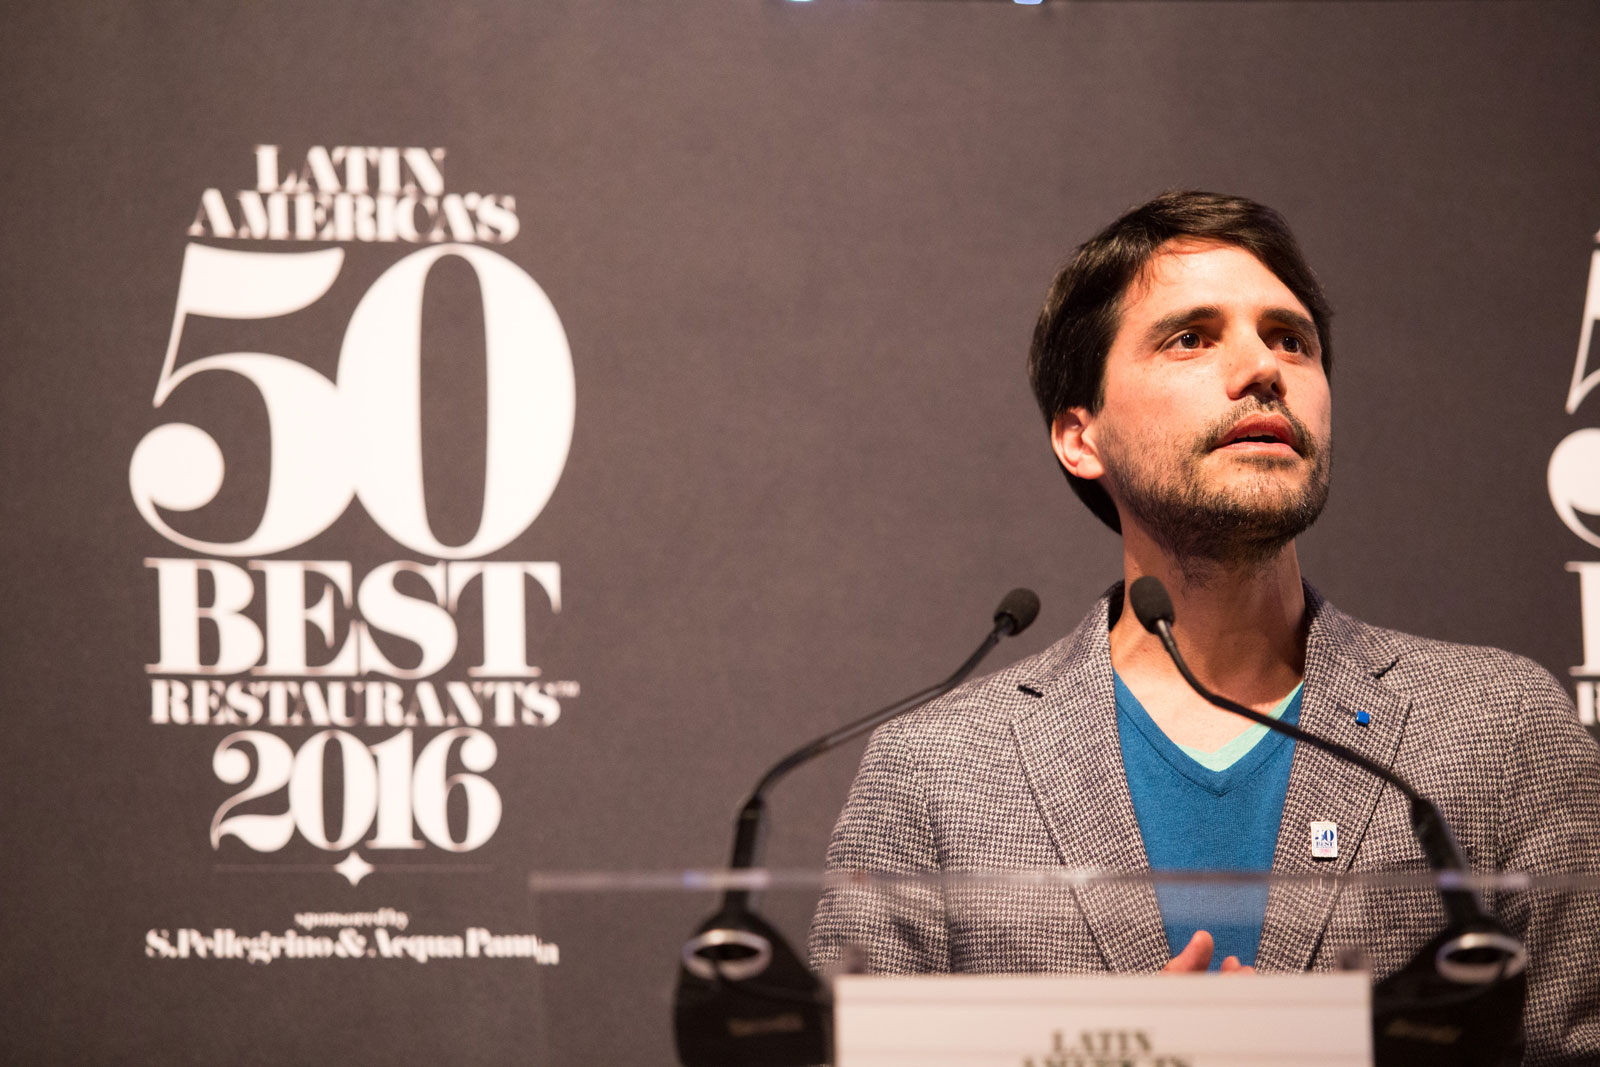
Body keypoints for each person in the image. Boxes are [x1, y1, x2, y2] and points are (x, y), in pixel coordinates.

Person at [808, 191, 1600, 1062]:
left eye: (1290, 339)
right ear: (1081, 435)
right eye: (1192, 337)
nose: (1263, 368)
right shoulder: (936, 772)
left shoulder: (1500, 726)